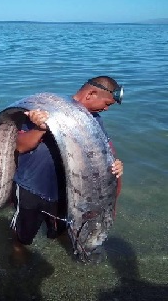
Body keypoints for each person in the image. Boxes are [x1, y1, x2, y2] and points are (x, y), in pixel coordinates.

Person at [11, 76, 124, 258]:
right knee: (24, 232)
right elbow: (21, 146)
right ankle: (17, 250)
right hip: (31, 186)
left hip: (66, 191)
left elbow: (105, 150)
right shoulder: (45, 110)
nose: (106, 108)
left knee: (57, 230)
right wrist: (40, 127)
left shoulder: (93, 120)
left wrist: (116, 165)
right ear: (91, 94)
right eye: (107, 103)